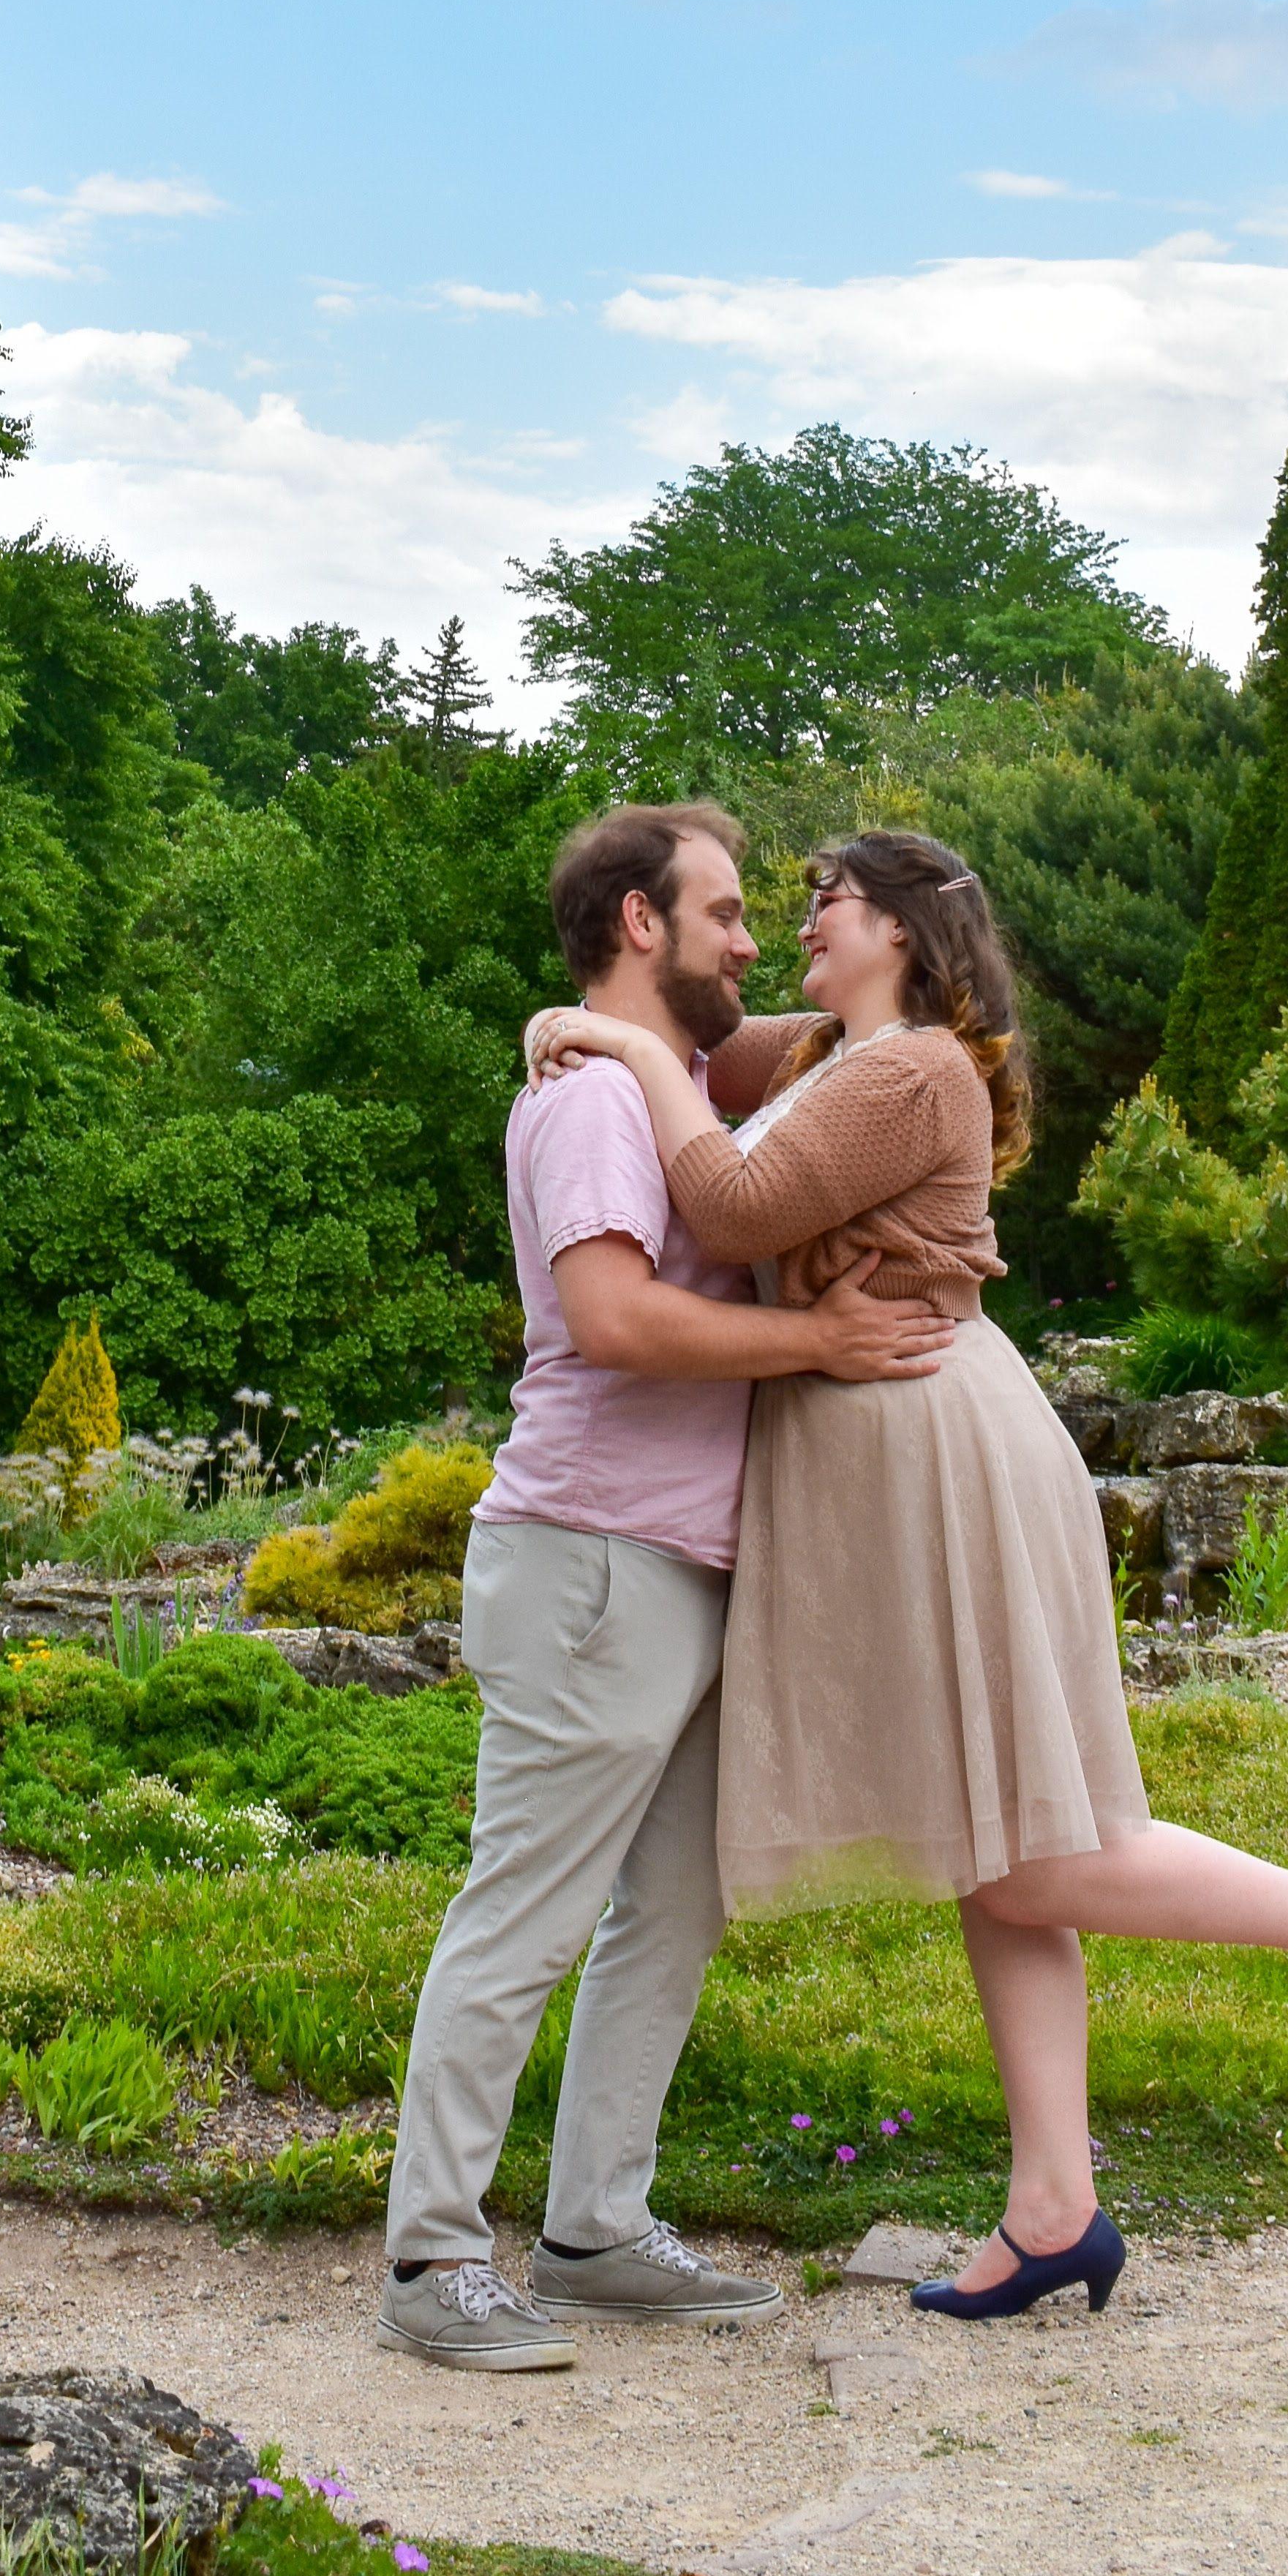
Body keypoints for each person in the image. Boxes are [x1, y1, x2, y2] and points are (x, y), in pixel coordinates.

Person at [524, 827, 1288, 2323]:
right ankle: (1054, 2209)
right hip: (886, 1460)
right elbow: (694, 1046)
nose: (793, 930)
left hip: (942, 1453)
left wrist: (624, 1057)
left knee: (1029, 1845)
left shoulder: (915, 1074)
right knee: (996, 1836)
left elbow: (732, 1207)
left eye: (825, 904)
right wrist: (591, 1022)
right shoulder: (830, 1052)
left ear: (901, 927)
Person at [375, 800, 959, 2372]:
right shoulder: (589, 1106)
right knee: (528, 1911)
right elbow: (615, 1320)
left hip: (690, 1568)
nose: (755, 940)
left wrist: (625, 1028)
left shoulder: (676, 1079)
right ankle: (433, 2256)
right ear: (641, 922)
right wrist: (817, 1342)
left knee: (676, 1909)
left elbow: (834, 1036)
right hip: (591, 1558)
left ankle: (595, 2232)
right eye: (726, 913)